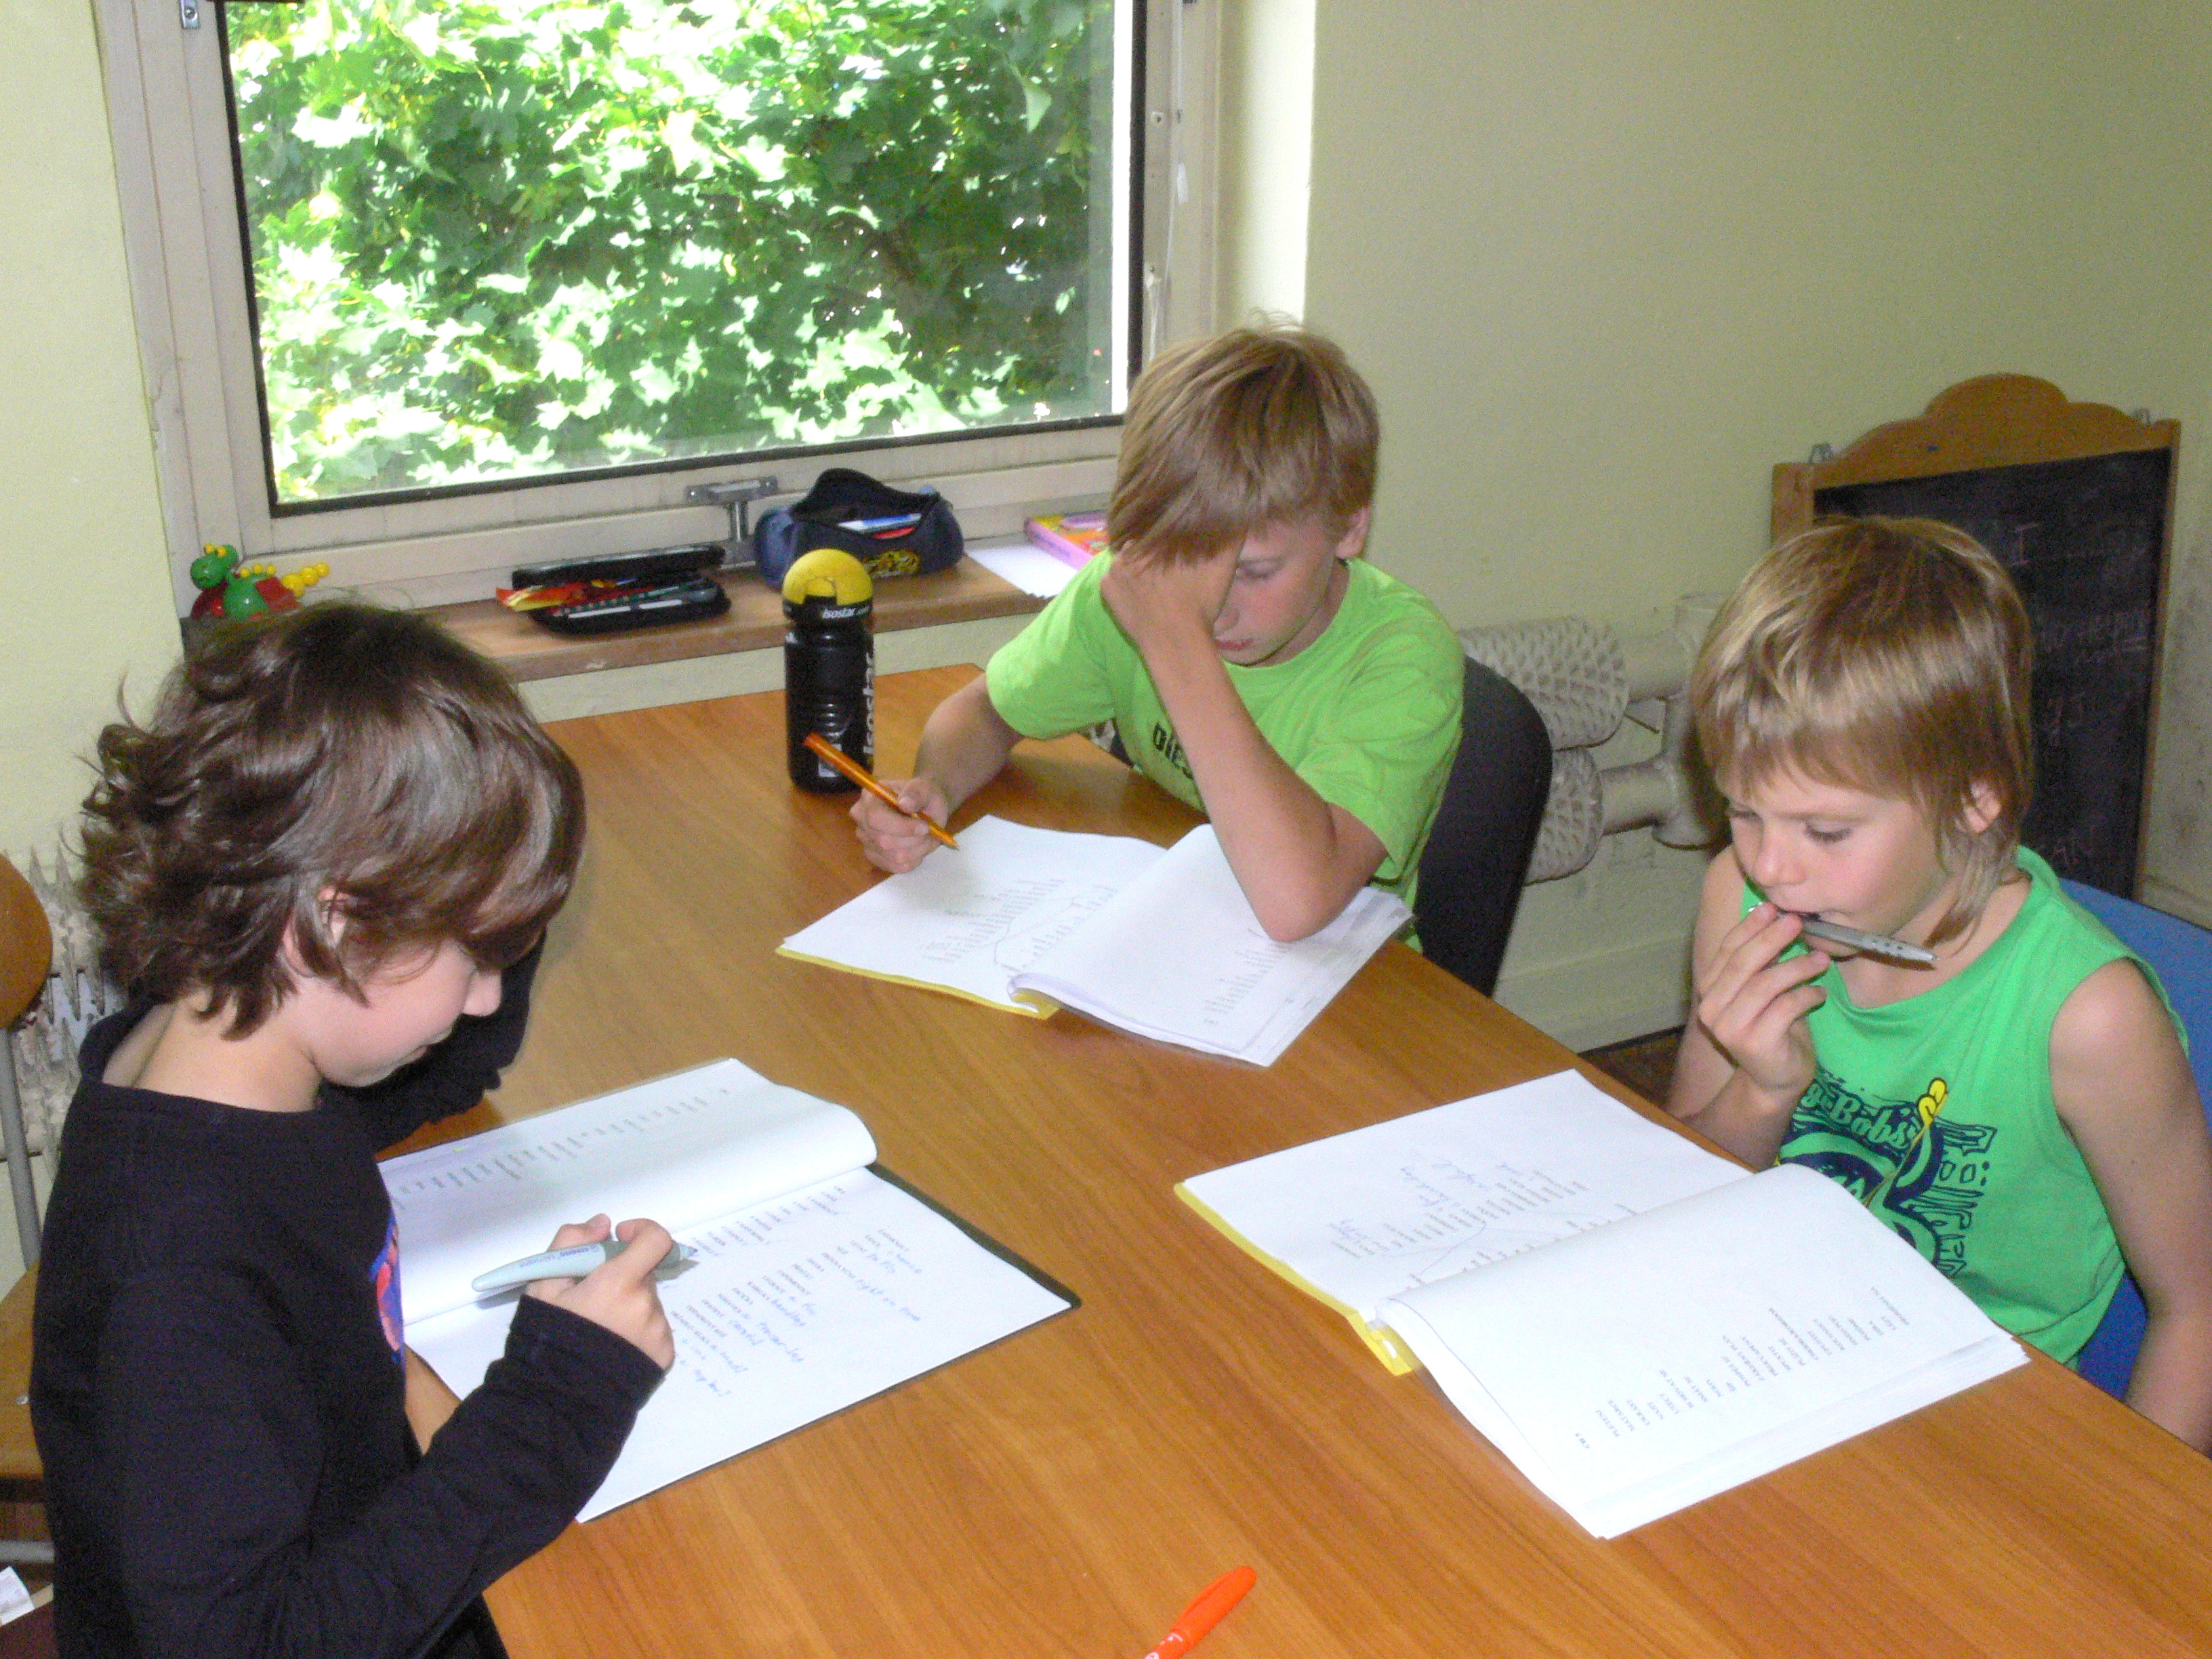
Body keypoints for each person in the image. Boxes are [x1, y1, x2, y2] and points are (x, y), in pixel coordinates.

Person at [32, 602, 675, 1658]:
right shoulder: (182, 1276)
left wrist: (490, 886)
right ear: (330, 924)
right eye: (476, 957)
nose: (486, 998)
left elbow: (438, 1071)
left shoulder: (216, 1049)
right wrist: (558, 1402)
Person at [1666, 516, 2212, 1448]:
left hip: (1982, 1420)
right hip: (1771, 1346)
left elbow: (2196, 1309)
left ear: (1973, 798)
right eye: (1743, 812)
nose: (1771, 866)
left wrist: (2141, 1521)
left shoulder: (2087, 1019)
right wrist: (1761, 1093)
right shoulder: (1740, 895)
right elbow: (1681, 1197)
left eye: (1825, 831)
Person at [851, 322, 1463, 943]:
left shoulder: (1404, 657)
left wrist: (1178, 641)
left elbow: (1296, 905)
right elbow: (986, 709)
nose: (1213, 612)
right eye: (1181, 564)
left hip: (1347, 979)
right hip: (1187, 928)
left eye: (1254, 572)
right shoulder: (1142, 591)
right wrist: (933, 789)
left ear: (1350, 528)